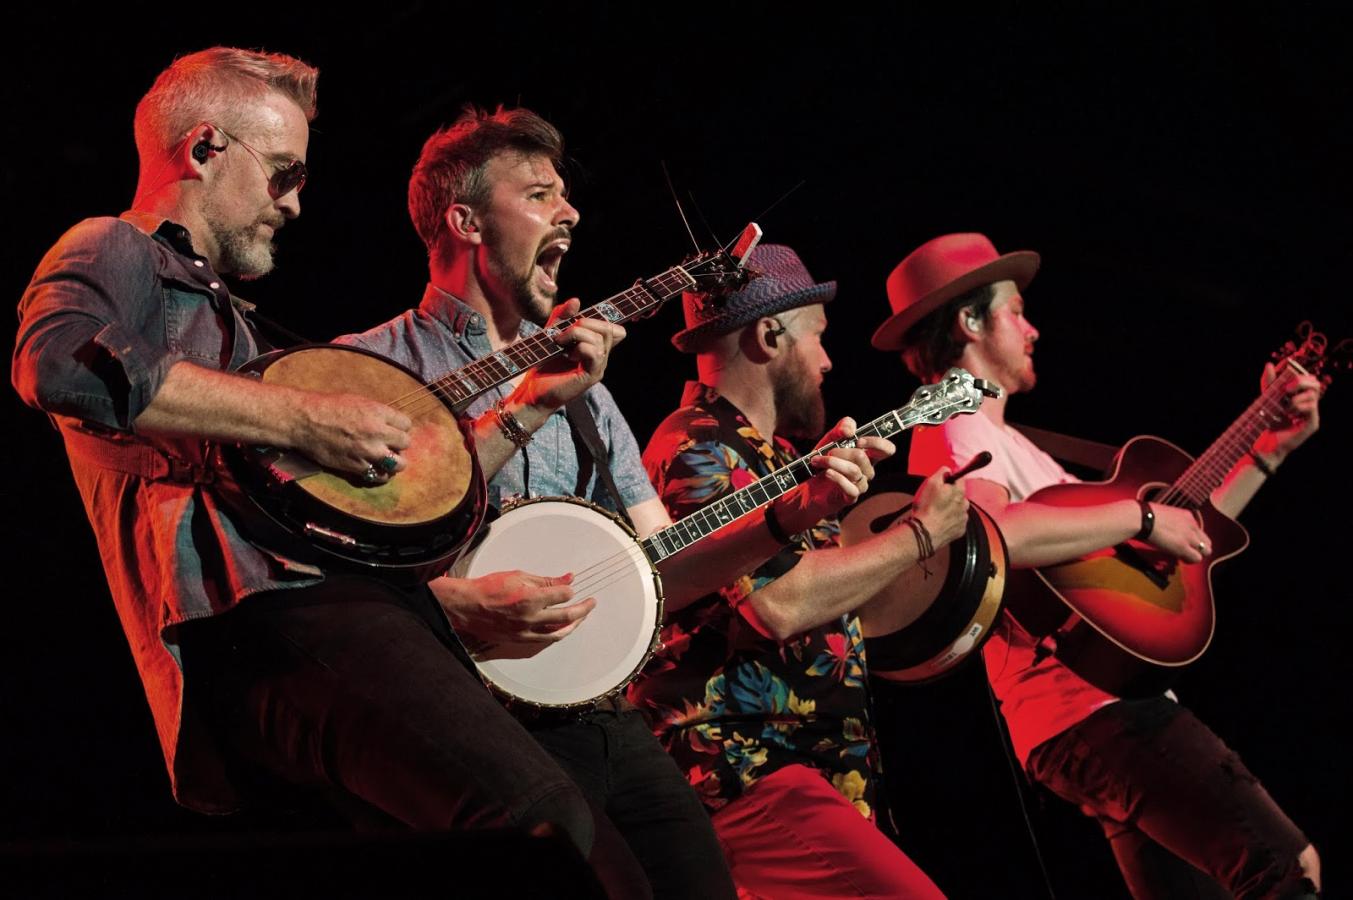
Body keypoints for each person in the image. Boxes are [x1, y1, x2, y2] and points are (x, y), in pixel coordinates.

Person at [11, 47, 673, 893]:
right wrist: (307, 415)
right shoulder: (114, 247)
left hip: (346, 611)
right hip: (274, 616)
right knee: (541, 821)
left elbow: (406, 488)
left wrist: (532, 406)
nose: (294, 203)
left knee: (593, 860)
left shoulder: (238, 327)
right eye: (283, 173)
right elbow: (56, 362)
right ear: (206, 148)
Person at [339, 108, 884, 899]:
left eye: (565, 195)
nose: (571, 213)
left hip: (599, 714)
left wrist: (785, 517)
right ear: (464, 222)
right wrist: (448, 602)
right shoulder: (369, 370)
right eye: (537, 195)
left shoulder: (589, 392)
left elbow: (658, 568)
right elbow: (337, 575)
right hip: (467, 725)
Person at [878, 232, 1323, 899]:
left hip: (1086, 720)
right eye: (1015, 310)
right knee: (1288, 869)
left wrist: (1268, 449)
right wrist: (1139, 517)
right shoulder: (958, 422)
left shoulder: (1010, 443)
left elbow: (1181, 541)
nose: (1032, 329)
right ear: (968, 323)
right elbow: (989, 532)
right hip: (1095, 709)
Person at [625, 243, 969, 898]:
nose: (827, 361)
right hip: (747, 770)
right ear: (769, 332)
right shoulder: (695, 440)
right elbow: (776, 604)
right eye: (818, 339)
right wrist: (920, 534)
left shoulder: (779, 458)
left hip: (807, 772)